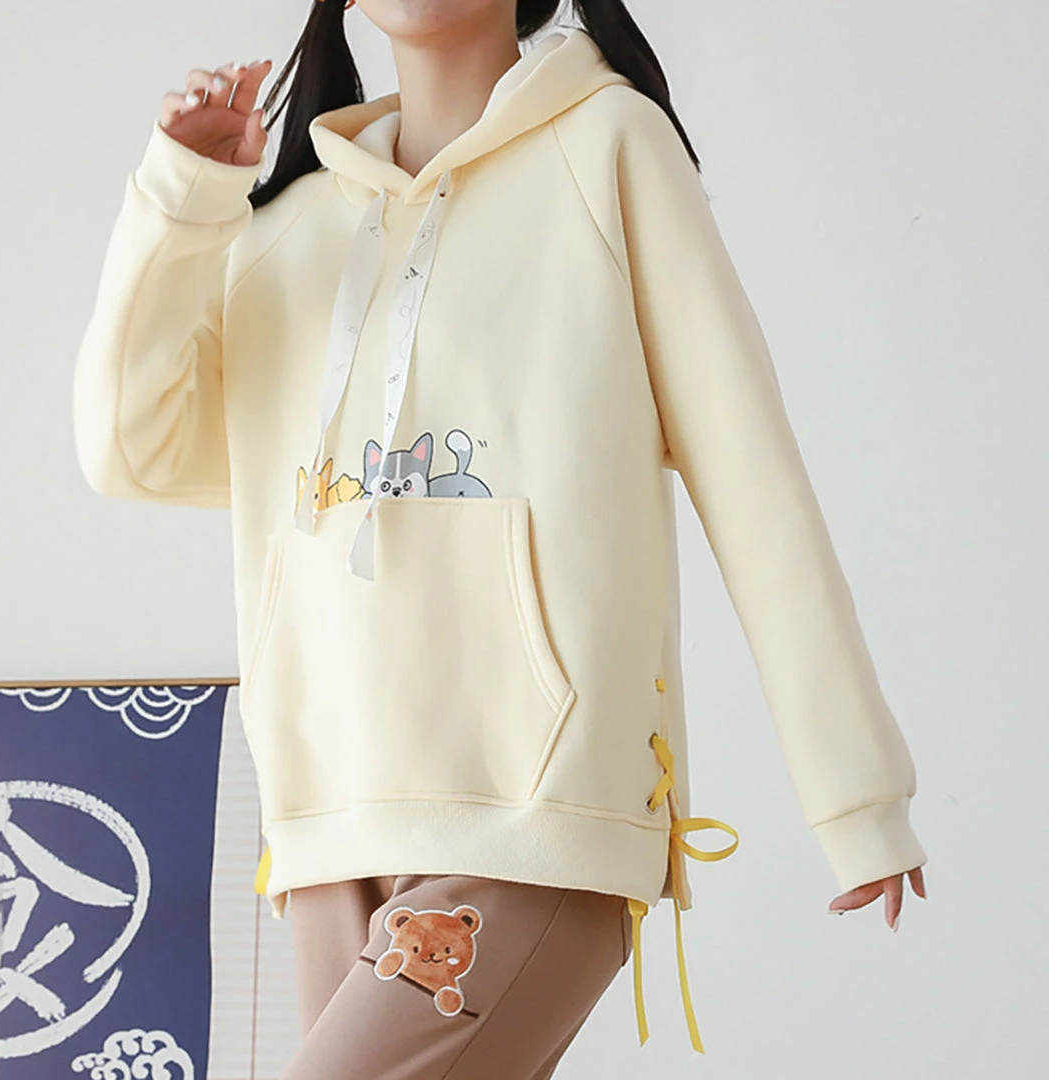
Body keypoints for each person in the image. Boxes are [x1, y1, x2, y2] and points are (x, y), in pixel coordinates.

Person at [72, 0, 929, 1074]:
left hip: (537, 810)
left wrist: (857, 796)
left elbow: (750, 473)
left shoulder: (608, 147)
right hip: (333, 819)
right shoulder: (288, 222)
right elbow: (135, 451)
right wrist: (184, 196)